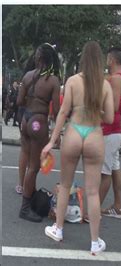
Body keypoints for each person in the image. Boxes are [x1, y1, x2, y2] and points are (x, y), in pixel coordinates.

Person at [42, 41, 114, 255]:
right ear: (100, 61)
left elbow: (62, 113)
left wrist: (51, 141)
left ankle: (59, 229)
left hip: (73, 132)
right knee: (92, 192)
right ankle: (94, 242)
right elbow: (109, 117)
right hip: (94, 134)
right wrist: (96, 110)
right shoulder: (106, 85)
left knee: (65, 186)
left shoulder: (73, 81)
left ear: (82, 59)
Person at [16, 43, 61, 222]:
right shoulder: (53, 81)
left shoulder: (27, 75)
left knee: (28, 162)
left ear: (38, 58)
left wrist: (31, 99)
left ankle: (29, 195)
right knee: (34, 167)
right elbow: (57, 110)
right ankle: (25, 208)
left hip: (26, 120)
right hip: (37, 123)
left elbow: (19, 101)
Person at [98, 47, 121, 219]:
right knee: (114, 167)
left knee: (105, 172)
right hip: (114, 128)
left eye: (107, 58)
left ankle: (93, 211)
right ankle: (118, 207)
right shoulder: (119, 78)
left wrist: (96, 110)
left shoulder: (116, 79)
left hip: (110, 129)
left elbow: (115, 106)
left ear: (111, 59)